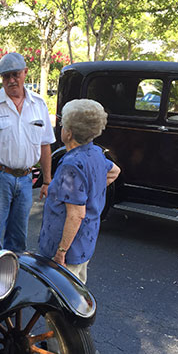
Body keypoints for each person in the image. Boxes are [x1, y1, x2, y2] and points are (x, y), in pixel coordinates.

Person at [0, 52, 55, 253]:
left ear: (25, 72)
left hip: (26, 180)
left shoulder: (38, 104)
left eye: (15, 74)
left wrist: (47, 181)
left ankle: (13, 271)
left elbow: (45, 145)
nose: (11, 80)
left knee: (18, 238)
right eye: (6, 76)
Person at [38, 99, 121, 284]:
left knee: (61, 295)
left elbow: (76, 214)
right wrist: (93, 190)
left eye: (63, 124)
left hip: (68, 249)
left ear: (69, 133)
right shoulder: (96, 152)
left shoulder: (72, 164)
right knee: (78, 291)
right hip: (85, 241)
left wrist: (61, 252)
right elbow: (115, 171)